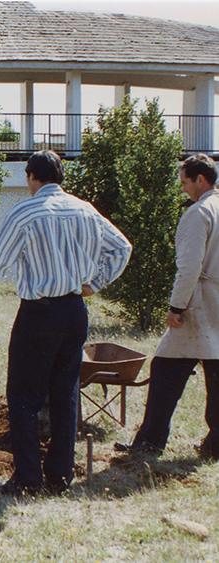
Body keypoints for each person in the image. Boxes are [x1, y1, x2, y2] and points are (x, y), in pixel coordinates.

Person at [0, 150, 132, 496]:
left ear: (31, 177)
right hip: (74, 311)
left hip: (39, 313)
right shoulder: (84, 209)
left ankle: (27, 478)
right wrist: (94, 284)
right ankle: (59, 476)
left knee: (23, 396)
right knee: (65, 392)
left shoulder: (27, 212)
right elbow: (122, 247)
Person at [117, 154, 219, 459]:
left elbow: (189, 267)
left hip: (198, 305)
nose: (183, 188)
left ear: (201, 179)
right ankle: (215, 445)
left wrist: (176, 307)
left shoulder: (198, 213)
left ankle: (150, 440)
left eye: (185, 182)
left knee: (164, 369)